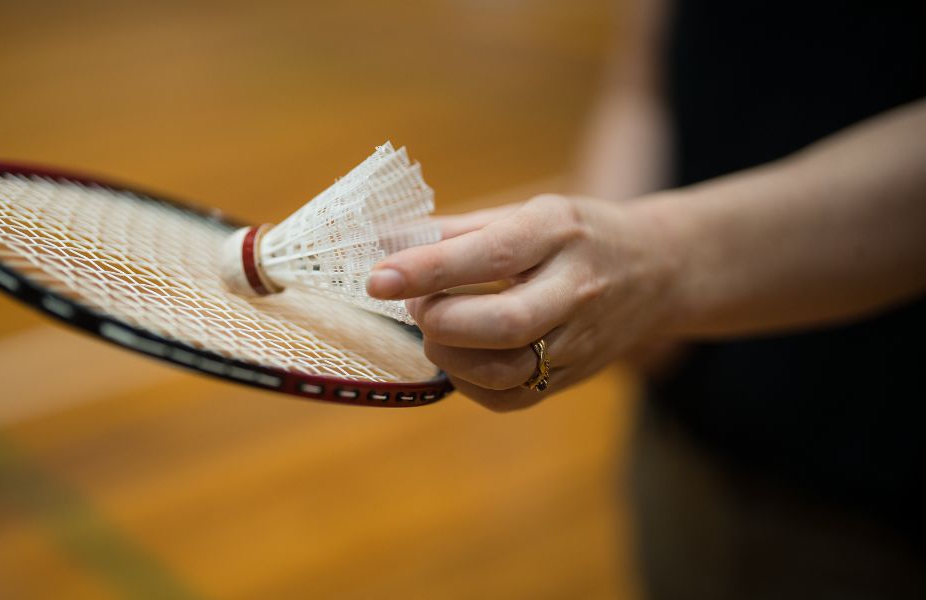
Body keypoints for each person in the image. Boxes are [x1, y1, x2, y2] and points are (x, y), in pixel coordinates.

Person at [367, 0, 926, 597]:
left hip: (888, 468)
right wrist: (628, 286)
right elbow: (644, 79)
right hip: (682, 424)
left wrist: (657, 267)